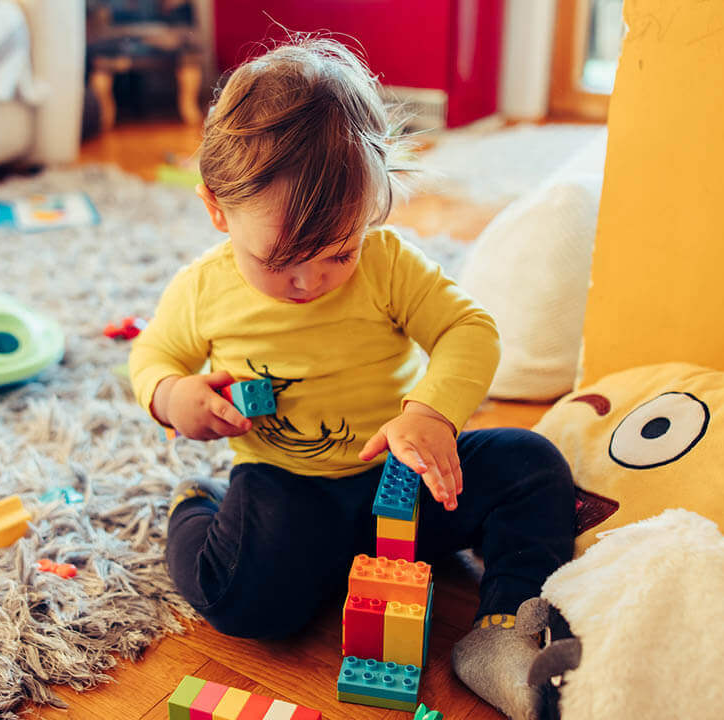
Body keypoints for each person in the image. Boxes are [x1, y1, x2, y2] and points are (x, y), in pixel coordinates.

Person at [129, 38, 578, 719]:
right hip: (286, 486)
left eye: (337, 252)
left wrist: (430, 411)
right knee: (244, 600)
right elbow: (151, 356)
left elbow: (469, 330)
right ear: (217, 209)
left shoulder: (388, 263)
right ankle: (196, 505)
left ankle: (504, 629)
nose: (309, 281)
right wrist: (173, 396)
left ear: (372, 209)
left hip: (402, 480)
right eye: (279, 260)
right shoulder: (204, 289)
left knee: (534, 464)